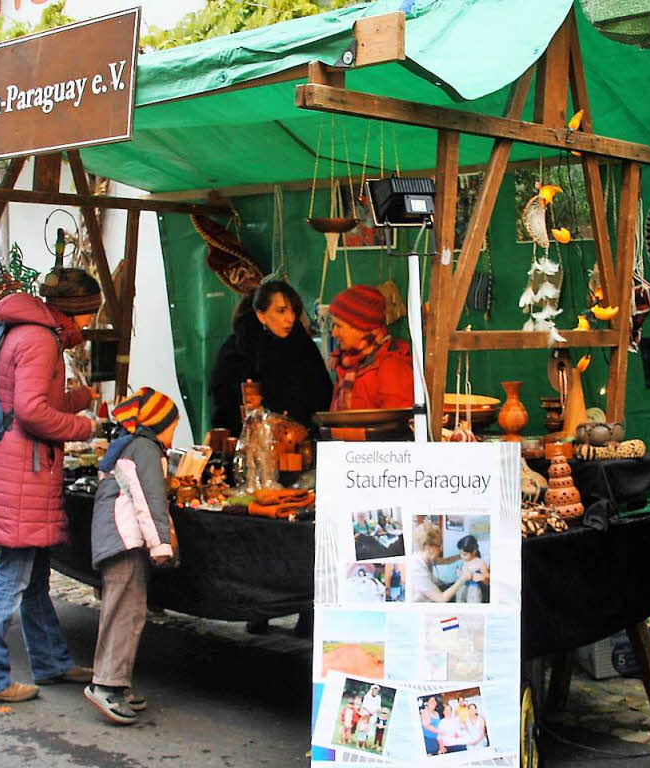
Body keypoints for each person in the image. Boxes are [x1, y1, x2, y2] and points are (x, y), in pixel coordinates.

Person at [0, 271, 103, 704]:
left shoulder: (27, 332)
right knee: (12, 577)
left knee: (35, 576)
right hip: (21, 472)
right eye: (89, 317)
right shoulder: (41, 340)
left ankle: (50, 661)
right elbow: (30, 413)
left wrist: (78, 399)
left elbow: (29, 401)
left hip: (16, 467)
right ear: (74, 312)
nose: (89, 327)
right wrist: (86, 427)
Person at [85, 387, 180, 725]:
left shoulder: (128, 446)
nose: (174, 433)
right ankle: (106, 684)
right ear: (158, 424)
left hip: (118, 537)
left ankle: (118, 682)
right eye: (173, 425)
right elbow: (149, 499)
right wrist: (161, 546)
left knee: (131, 610)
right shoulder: (145, 449)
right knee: (124, 611)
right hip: (123, 539)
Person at [210, 280, 332, 435]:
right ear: (261, 315)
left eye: (294, 311)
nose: (290, 318)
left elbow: (321, 399)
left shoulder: (302, 346)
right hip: (250, 445)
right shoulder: (237, 352)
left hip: (300, 445)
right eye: (281, 311)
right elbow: (225, 410)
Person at [328, 284, 413, 411]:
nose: (334, 333)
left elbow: (398, 423)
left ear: (362, 328)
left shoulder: (392, 366)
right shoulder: (347, 364)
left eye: (339, 326)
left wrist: (357, 432)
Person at [409, 523, 470, 603]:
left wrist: (460, 556)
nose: (441, 550)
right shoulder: (417, 570)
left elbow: (446, 561)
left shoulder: (425, 556)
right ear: (428, 547)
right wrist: (463, 578)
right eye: (439, 546)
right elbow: (442, 599)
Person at [455, 535, 490, 604]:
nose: (462, 557)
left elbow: (488, 581)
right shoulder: (465, 561)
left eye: (464, 554)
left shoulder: (480, 563)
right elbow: (464, 573)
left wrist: (483, 578)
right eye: (460, 554)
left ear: (474, 552)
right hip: (462, 587)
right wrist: (459, 572)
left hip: (473, 591)